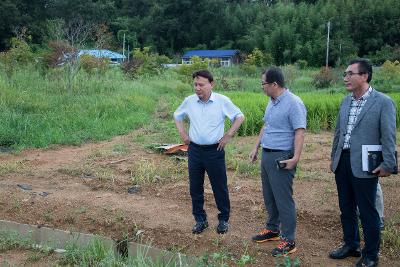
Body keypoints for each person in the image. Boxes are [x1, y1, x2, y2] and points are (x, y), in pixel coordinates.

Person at [329, 58, 396, 267]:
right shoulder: (346, 101)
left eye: (350, 74)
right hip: (343, 162)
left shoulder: (383, 102)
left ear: (364, 76)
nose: (346, 78)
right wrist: (334, 158)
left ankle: (370, 255)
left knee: (367, 212)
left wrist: (388, 164)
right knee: (346, 207)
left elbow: (388, 136)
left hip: (366, 163)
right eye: (345, 74)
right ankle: (351, 245)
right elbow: (339, 133)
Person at [174, 70, 244, 234]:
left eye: (201, 85)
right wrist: (183, 133)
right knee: (195, 187)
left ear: (211, 84)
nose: (197, 88)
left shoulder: (221, 101)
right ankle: (200, 220)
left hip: (215, 151)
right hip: (195, 151)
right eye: (195, 85)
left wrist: (228, 135)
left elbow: (239, 117)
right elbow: (177, 115)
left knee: (219, 187)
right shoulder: (189, 101)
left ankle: (223, 220)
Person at [249, 67, 306, 256]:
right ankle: (272, 229)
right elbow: (266, 126)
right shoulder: (271, 102)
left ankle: (288, 240)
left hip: (282, 155)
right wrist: (256, 147)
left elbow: (299, 131)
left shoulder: (293, 103)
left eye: (263, 83)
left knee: (283, 199)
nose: (262, 87)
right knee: (269, 196)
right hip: (267, 153)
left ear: (274, 84)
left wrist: (295, 157)